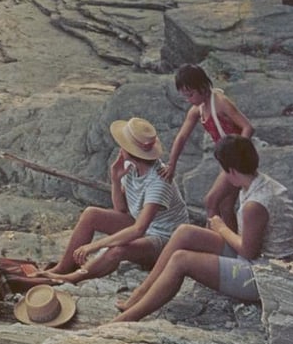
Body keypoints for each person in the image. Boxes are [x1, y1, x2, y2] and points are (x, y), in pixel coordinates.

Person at [113, 134, 293, 322]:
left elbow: (248, 252)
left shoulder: (256, 204)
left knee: (181, 260)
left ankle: (127, 319)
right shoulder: (255, 181)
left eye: (223, 171)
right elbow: (214, 201)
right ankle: (139, 293)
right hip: (255, 258)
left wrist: (221, 227)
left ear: (232, 171)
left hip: (265, 275)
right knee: (185, 232)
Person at [31, 116, 189, 286]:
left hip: (164, 241)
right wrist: (115, 179)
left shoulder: (158, 180)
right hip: (144, 229)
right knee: (91, 214)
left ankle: (75, 277)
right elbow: (120, 210)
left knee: (118, 249)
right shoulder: (133, 169)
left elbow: (137, 229)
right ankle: (62, 268)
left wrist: (95, 246)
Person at [161, 64, 254, 227]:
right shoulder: (198, 109)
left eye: (191, 95)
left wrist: (238, 154)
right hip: (226, 159)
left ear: (203, 87)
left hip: (236, 159)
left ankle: (211, 240)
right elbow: (182, 136)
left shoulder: (221, 103)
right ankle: (232, 247)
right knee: (225, 206)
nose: (189, 100)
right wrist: (172, 164)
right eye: (186, 96)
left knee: (211, 201)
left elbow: (248, 127)